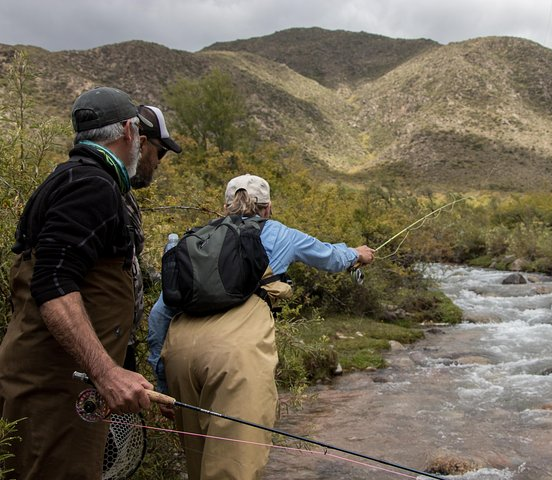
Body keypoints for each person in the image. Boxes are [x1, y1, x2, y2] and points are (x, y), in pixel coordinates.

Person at [149, 174, 375, 480]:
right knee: (234, 465)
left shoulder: (198, 239)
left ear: (224, 206)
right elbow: (330, 257)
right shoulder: (281, 234)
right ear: (268, 208)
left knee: (197, 463)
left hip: (180, 356)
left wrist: (162, 383)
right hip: (235, 356)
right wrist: (357, 255)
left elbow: (160, 313)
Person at [0, 86, 157, 479]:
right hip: (56, 390)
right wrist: (107, 374)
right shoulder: (91, 186)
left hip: (64, 382)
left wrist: (121, 373)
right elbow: (53, 283)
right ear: (128, 131)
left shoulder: (75, 177)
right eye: (139, 132)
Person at [123, 104, 182, 372]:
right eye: (161, 152)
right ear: (142, 143)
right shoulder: (96, 190)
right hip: (99, 355)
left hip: (119, 346)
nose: (159, 162)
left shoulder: (122, 194)